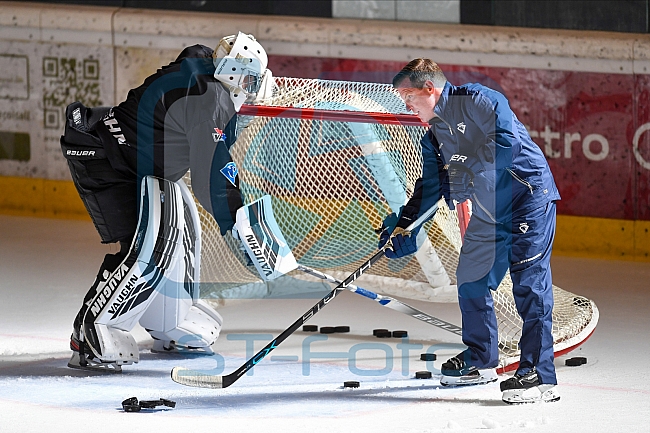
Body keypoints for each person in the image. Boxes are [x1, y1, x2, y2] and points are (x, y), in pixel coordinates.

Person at [59, 32, 273, 372]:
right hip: (112, 163)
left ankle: (170, 321)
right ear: (234, 78)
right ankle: (92, 331)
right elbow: (212, 176)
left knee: (176, 229)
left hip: (132, 162)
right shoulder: (211, 101)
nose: (246, 105)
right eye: (246, 88)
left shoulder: (206, 71)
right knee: (147, 249)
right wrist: (237, 225)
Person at [377, 58, 561, 404]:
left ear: (430, 89)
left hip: (527, 198)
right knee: (472, 278)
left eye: (409, 96)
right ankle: (481, 359)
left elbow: (505, 145)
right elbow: (430, 189)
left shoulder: (478, 100)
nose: (407, 105)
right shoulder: (433, 139)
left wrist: (467, 166)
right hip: (491, 212)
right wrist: (404, 227)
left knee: (529, 285)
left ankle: (539, 375)